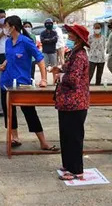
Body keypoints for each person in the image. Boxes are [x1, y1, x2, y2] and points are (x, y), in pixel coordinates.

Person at [0, 15, 57, 151]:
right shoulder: (8, 42)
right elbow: (9, 59)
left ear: (13, 27)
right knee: (9, 112)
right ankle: (15, 138)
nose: (4, 28)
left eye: (6, 26)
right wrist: (2, 66)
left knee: (30, 112)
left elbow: (40, 59)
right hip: (6, 82)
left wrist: (44, 79)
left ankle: (43, 142)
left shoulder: (26, 42)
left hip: (22, 84)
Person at [50, 24, 90, 181]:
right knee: (66, 134)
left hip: (76, 102)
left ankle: (76, 170)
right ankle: (68, 164)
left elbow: (73, 78)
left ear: (78, 38)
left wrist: (60, 76)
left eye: (72, 34)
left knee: (73, 137)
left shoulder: (80, 56)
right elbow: (67, 67)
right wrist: (58, 68)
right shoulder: (75, 53)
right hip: (68, 102)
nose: (69, 36)